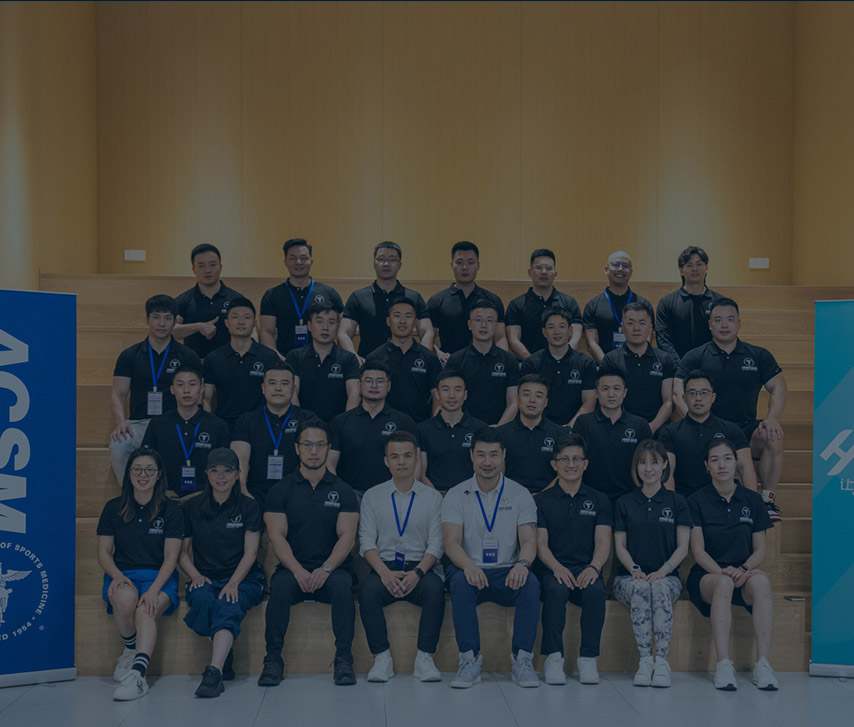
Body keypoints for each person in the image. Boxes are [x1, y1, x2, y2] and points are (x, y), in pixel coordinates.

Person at [259, 419, 359, 687]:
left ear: (328, 449)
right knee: (279, 589)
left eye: (320, 445)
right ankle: (272, 660)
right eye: (308, 445)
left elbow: (347, 537)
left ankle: (344, 659)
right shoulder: (280, 490)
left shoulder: (343, 491)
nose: (314, 451)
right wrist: (298, 571)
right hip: (293, 569)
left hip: (332, 570)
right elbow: (276, 536)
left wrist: (325, 569)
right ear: (297, 448)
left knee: (343, 588)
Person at [441, 429, 541, 689]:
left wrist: (522, 564)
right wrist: (468, 565)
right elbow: (451, 542)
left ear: (504, 455)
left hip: (507, 569)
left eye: (494, 455)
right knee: (460, 583)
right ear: (471, 456)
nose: (487, 462)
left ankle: (522, 660)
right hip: (470, 567)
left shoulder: (520, 494)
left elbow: (529, 540)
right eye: (481, 455)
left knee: (530, 584)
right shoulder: (456, 493)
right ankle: (469, 660)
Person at [675, 298, 786, 519]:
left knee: (772, 435)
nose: (724, 325)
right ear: (710, 325)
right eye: (718, 320)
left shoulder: (758, 355)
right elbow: (678, 392)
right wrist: (693, 420)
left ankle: (767, 500)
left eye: (730, 319)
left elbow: (779, 386)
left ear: (739, 323)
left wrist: (772, 418)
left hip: (746, 430)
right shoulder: (695, 356)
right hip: (708, 430)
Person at [687, 439, 778, 691]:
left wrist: (744, 569)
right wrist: (723, 572)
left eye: (727, 458)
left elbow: (760, 549)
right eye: (715, 460)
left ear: (736, 462)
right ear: (707, 466)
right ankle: (724, 664)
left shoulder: (752, 500)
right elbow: (698, 551)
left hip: (742, 572)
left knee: (761, 582)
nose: (722, 465)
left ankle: (763, 664)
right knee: (724, 584)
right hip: (708, 575)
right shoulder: (696, 501)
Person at [96, 447, 183, 701]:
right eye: (137, 469)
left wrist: (154, 590)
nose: (143, 475)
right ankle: (130, 648)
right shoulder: (113, 508)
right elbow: (104, 552)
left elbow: (171, 558)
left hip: (159, 576)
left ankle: (138, 674)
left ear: (158, 475)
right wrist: (117, 576)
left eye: (149, 470)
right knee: (125, 599)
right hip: (123, 573)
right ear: (129, 474)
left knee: (146, 610)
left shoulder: (171, 509)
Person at [358, 432, 445, 682]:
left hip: (420, 568)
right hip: (384, 567)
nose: (401, 462)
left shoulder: (432, 497)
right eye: (395, 456)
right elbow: (366, 542)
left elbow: (436, 544)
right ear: (386, 461)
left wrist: (417, 573)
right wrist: (384, 574)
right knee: (368, 591)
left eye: (407, 456)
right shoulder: (373, 496)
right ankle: (381, 658)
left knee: (435, 590)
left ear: (416, 458)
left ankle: (425, 658)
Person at [180, 448, 266, 698]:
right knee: (203, 598)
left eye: (227, 471)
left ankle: (214, 673)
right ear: (206, 474)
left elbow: (251, 553)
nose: (221, 477)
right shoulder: (191, 506)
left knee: (228, 601)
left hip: (244, 577)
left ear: (237, 474)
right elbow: (182, 552)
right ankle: (224, 658)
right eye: (215, 471)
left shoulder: (249, 506)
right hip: (204, 576)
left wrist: (233, 582)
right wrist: (195, 576)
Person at [613, 440, 691, 688]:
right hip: (628, 578)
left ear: (665, 465)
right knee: (640, 588)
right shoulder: (624, 502)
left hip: (667, 578)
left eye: (654, 462)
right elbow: (620, 546)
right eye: (642, 463)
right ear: (636, 467)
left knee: (657, 587)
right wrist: (634, 570)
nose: (648, 469)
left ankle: (662, 661)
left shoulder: (677, 502)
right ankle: (645, 660)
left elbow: (683, 547)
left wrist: (662, 571)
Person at [535, 434, 611, 686]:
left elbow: (603, 542)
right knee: (556, 590)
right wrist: (556, 567)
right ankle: (553, 657)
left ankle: (588, 658)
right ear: (554, 464)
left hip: (586, 567)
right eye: (564, 459)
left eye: (576, 459)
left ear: (585, 464)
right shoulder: (541, 500)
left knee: (595, 591)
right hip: (553, 567)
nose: (571, 464)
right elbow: (540, 544)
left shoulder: (599, 499)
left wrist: (594, 567)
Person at [110, 295, 202, 482]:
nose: (162, 323)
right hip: (139, 423)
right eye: (156, 317)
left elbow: (198, 392)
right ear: (147, 319)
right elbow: (118, 394)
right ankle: (130, 493)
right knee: (119, 444)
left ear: (175, 321)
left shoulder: (188, 356)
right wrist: (121, 422)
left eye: (167, 318)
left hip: (175, 422)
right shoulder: (129, 355)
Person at [658, 371, 759, 497]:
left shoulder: (731, 430)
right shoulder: (670, 432)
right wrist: (673, 504)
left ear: (713, 397)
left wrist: (754, 503)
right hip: (684, 501)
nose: (698, 398)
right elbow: (667, 474)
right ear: (684, 398)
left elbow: (745, 469)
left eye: (704, 393)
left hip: (723, 501)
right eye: (692, 393)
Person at [231, 364, 317, 508]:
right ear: (263, 388)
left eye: (284, 383)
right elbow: (240, 460)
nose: (278, 388)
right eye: (272, 383)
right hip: (255, 494)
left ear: (293, 389)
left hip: (297, 493)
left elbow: (315, 459)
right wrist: (243, 491)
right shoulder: (246, 421)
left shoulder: (308, 420)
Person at [141, 365, 230, 498]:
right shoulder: (158, 424)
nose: (186, 390)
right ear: (172, 389)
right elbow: (146, 461)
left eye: (192, 384)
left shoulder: (218, 426)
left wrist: (204, 494)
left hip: (206, 498)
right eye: (180, 385)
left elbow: (225, 468)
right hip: (166, 497)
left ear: (202, 388)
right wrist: (161, 491)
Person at [328, 363, 419, 494]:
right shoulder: (340, 422)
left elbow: (415, 462)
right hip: (352, 494)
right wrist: (343, 493)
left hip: (391, 495)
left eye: (380, 381)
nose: (374, 386)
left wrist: (405, 493)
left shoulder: (404, 422)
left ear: (389, 386)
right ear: (360, 385)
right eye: (368, 381)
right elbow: (330, 463)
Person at [339, 241, 434, 358]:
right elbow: (343, 333)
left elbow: (427, 332)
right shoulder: (358, 297)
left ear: (400, 265)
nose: (386, 264)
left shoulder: (414, 297)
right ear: (374, 263)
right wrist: (354, 359)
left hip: (406, 363)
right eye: (381, 259)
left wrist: (422, 359)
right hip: (369, 365)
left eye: (392, 259)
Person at [572, 366, 653, 503]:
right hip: (590, 499)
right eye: (605, 389)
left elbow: (647, 465)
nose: (611, 394)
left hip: (631, 499)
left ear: (625, 392)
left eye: (616, 388)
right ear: (596, 393)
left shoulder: (640, 425)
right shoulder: (583, 423)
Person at [203, 297, 281, 432]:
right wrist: (210, 426)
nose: (241, 322)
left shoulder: (269, 357)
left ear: (254, 323)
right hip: (225, 427)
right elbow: (206, 399)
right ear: (227, 323)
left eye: (247, 317)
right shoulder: (213, 358)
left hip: (261, 427)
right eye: (235, 317)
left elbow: (277, 395)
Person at [259, 238, 344, 357]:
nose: (298, 262)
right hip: (284, 360)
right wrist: (278, 360)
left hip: (323, 360)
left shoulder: (329, 293)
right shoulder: (272, 295)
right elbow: (267, 332)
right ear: (285, 261)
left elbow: (341, 330)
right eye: (292, 258)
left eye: (303, 258)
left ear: (311, 261)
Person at [427, 240, 507, 363]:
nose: (465, 267)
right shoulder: (437, 300)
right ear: (452, 265)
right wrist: (438, 353)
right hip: (449, 363)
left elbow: (500, 337)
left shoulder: (493, 300)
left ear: (478, 265)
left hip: (485, 363)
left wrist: (502, 362)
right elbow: (428, 336)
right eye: (459, 262)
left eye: (470, 262)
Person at [601, 301, 676, 433]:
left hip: (656, 430)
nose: (636, 328)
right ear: (622, 327)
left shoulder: (665, 359)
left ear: (650, 327)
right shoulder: (611, 360)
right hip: (619, 429)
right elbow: (607, 401)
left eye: (642, 323)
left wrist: (650, 428)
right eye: (630, 323)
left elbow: (668, 402)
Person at [365, 296, 441, 422]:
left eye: (408, 316)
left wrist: (432, 427)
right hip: (382, 427)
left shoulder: (430, 358)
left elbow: (437, 397)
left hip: (419, 427)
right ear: (388, 321)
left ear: (415, 322)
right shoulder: (374, 358)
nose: (402, 321)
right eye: (397, 316)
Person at [446, 300, 519, 425]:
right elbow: (450, 400)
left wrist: (498, 429)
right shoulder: (456, 360)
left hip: (499, 428)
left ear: (496, 326)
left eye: (490, 320)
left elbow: (513, 402)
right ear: (469, 324)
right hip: (464, 428)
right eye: (478, 320)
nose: (484, 325)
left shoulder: (509, 360)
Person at [285, 301, 361, 422]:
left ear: (338, 326)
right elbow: (292, 393)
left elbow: (354, 395)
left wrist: (345, 425)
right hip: (304, 426)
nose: (325, 327)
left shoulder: (349, 359)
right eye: (319, 321)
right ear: (309, 326)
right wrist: (302, 424)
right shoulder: (295, 357)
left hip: (339, 426)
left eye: (331, 322)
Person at [521, 308, 596, 426]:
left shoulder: (586, 363)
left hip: (575, 429)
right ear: (544, 332)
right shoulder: (531, 363)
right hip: (539, 428)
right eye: (551, 327)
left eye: (562, 326)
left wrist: (569, 428)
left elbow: (589, 403)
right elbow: (527, 402)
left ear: (570, 331)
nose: (557, 332)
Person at [417, 371, 486, 492]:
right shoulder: (423, 429)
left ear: (465, 395)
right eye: (445, 390)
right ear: (437, 394)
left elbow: (484, 469)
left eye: (458, 390)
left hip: (470, 495)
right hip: (435, 495)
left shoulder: (480, 429)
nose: (452, 395)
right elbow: (421, 474)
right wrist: (436, 497)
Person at [173, 243, 245, 359]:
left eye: (212, 265)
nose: (207, 270)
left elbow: (249, 330)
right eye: (201, 266)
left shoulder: (236, 299)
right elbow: (172, 330)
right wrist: (198, 327)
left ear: (220, 267)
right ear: (194, 269)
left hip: (230, 363)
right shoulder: (183, 300)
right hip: (194, 364)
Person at [507, 249, 582, 358]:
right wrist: (533, 363)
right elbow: (514, 340)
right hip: (529, 365)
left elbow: (575, 337)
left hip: (564, 364)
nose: (544, 272)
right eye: (538, 268)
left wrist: (562, 359)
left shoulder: (569, 303)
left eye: (549, 268)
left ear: (555, 274)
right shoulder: (516, 305)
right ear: (530, 272)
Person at [496, 375, 565, 493]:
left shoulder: (560, 434)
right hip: (509, 498)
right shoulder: (500, 434)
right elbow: (496, 474)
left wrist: (542, 496)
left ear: (546, 402)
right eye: (526, 394)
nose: (532, 400)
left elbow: (564, 472)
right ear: (518, 399)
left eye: (539, 396)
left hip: (549, 497)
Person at [582, 250, 651, 362]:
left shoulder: (644, 305)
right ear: (606, 270)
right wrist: (608, 365)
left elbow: (647, 339)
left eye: (625, 266)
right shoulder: (593, 306)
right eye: (615, 265)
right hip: (604, 366)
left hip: (636, 365)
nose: (620, 269)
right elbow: (592, 343)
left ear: (631, 271)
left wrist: (635, 364)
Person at [655, 246, 721, 359]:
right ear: (681, 270)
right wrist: (679, 366)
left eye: (699, 264)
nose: (695, 269)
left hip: (711, 365)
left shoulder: (719, 303)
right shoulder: (666, 303)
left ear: (706, 268)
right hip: (677, 367)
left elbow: (724, 336)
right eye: (689, 265)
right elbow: (663, 339)